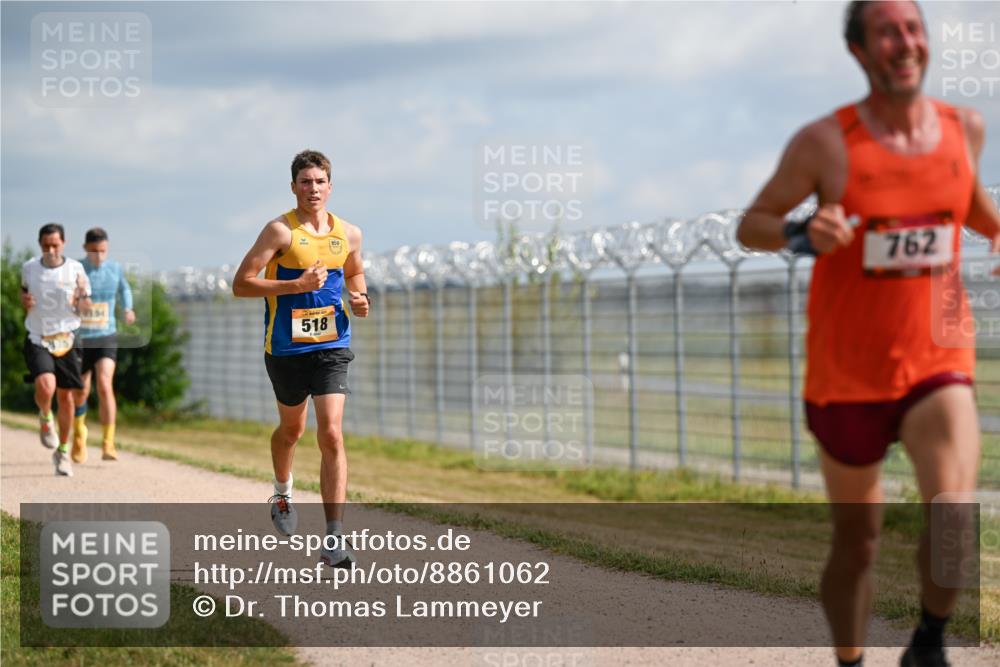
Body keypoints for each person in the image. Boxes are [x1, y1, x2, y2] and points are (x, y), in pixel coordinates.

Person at [737, 2, 1000, 666]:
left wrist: (997, 230)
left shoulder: (963, 128)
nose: (904, 42)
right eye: (887, 31)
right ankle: (850, 658)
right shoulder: (826, 143)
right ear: (858, 51)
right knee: (859, 543)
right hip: (847, 373)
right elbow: (753, 224)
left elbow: (962, 201)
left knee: (953, 514)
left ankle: (928, 643)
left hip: (936, 360)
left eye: (913, 28)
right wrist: (801, 233)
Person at [233, 149, 369, 568]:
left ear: (331, 186)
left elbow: (353, 271)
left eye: (320, 181)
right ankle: (283, 491)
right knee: (291, 431)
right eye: (305, 182)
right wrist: (295, 287)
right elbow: (241, 284)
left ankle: (334, 538)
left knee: (331, 433)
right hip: (286, 349)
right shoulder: (279, 232)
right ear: (293, 187)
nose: (313, 189)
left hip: (331, 345)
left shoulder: (348, 233)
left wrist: (360, 297)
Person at [20, 223, 92, 477]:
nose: (50, 249)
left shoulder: (76, 270)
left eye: (55, 245)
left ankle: (63, 452)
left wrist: (83, 294)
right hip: (38, 337)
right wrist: (25, 301)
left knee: (67, 397)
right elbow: (25, 294)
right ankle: (44, 416)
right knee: (46, 386)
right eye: (46, 245)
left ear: (64, 243)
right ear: (40, 244)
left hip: (68, 339)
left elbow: (85, 310)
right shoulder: (29, 268)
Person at [71, 227, 135, 463]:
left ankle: (108, 443)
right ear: (86, 249)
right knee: (81, 390)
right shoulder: (76, 269)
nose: (99, 256)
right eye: (94, 251)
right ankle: (79, 435)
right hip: (80, 338)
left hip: (106, 334)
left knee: (105, 385)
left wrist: (128, 308)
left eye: (103, 251)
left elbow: (124, 288)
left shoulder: (114, 269)